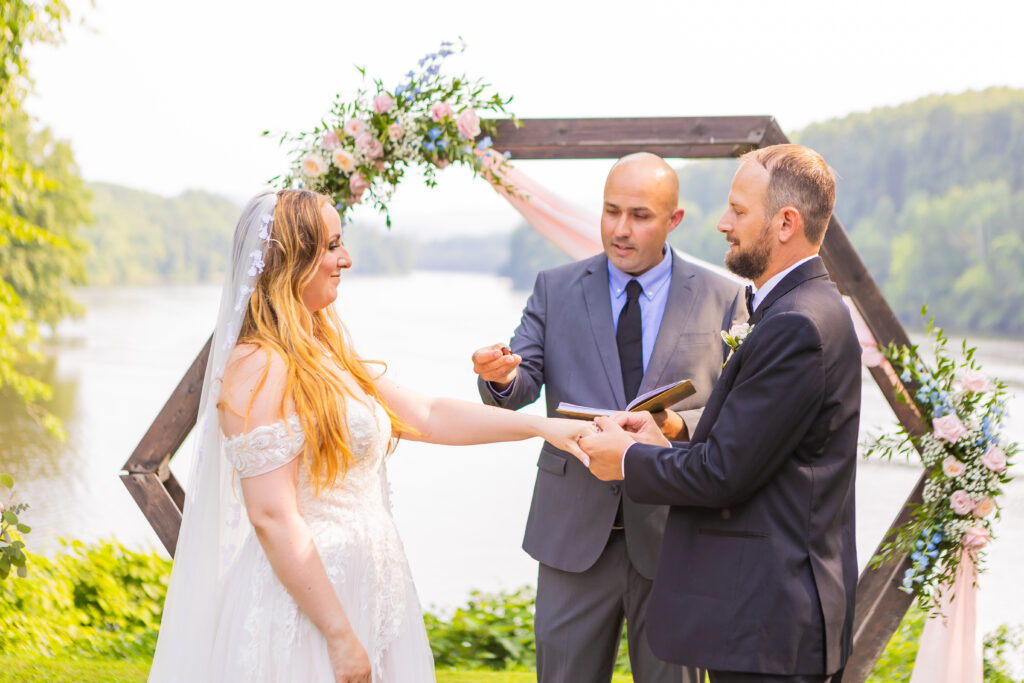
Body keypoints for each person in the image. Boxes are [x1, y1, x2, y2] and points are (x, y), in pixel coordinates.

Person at [147, 189, 594, 683]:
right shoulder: (258, 363)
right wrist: (338, 637)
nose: (346, 259)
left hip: (370, 588)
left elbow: (427, 414)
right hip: (307, 609)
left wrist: (543, 427)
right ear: (292, 257)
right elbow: (273, 516)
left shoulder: (327, 349)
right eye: (332, 245)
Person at [580, 144, 860, 683]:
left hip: (771, 624)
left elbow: (724, 474)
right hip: (765, 620)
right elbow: (753, 451)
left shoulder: (797, 325)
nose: (722, 223)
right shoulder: (802, 308)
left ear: (785, 223)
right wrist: (667, 438)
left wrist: (630, 458)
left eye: (738, 210)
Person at [472, 153, 747, 683]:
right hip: (571, 534)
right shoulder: (554, 288)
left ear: (674, 221)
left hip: (677, 536)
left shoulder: (724, 296)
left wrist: (677, 427)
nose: (621, 230)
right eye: (610, 211)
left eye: (640, 216)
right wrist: (500, 377)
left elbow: (735, 409)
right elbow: (519, 385)